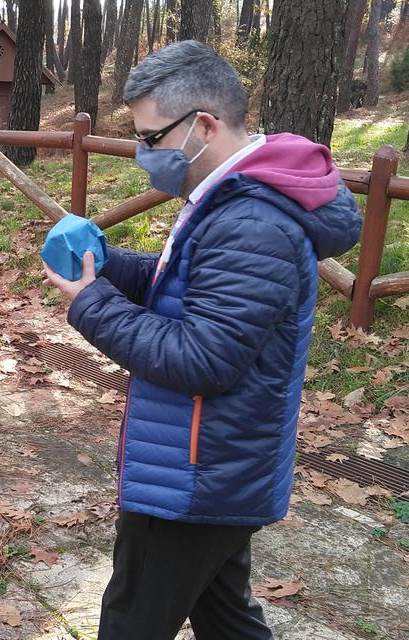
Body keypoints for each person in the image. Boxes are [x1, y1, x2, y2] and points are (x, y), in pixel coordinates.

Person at [43, 41, 362, 639]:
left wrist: (90, 305)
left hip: (196, 473)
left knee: (133, 620)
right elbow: (187, 289)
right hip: (213, 465)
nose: (142, 153)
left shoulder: (251, 222)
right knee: (226, 618)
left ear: (204, 125)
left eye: (149, 137)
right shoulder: (232, 198)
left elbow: (203, 358)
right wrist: (107, 266)